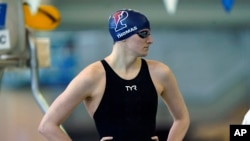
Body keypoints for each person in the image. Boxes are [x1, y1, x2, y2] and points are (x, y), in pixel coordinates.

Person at [38, 9, 190, 141]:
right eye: (143, 34)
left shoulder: (160, 73)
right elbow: (47, 126)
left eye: (149, 34)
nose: (150, 40)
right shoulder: (92, 76)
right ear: (123, 36)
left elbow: (182, 118)